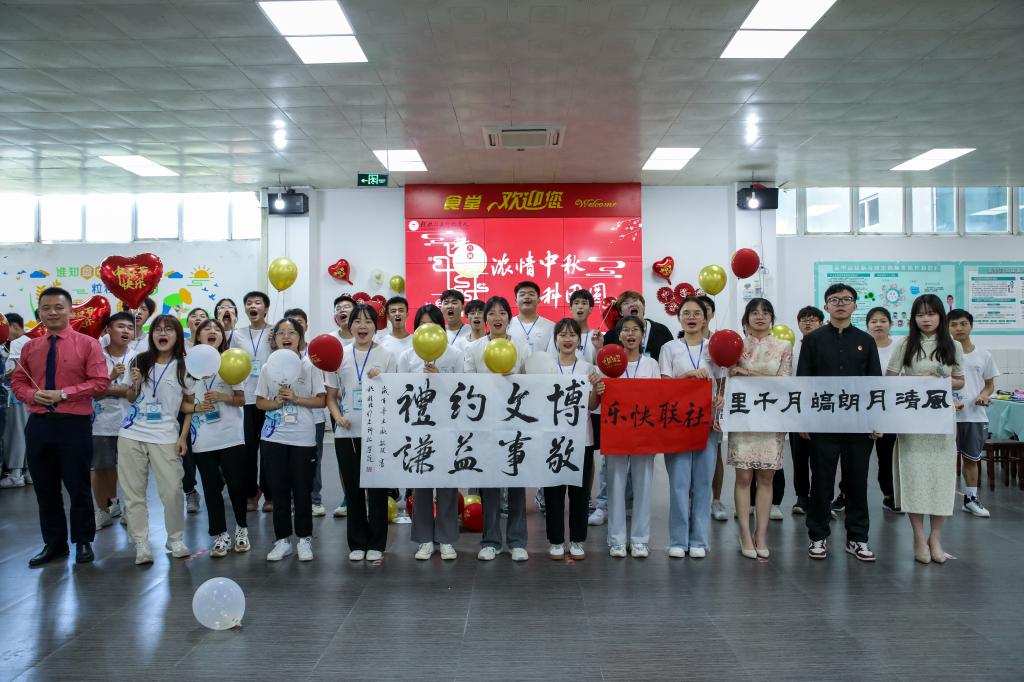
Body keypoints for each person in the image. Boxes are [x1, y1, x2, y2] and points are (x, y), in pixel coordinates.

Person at [11, 288, 109, 566]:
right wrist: (32, 395)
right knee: (45, 488)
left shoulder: (88, 344)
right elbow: (18, 382)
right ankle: (54, 544)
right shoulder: (30, 347)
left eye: (58, 307)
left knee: (78, 485)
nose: (52, 312)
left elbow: (100, 382)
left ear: (70, 311)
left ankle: (83, 541)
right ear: (39, 313)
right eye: (46, 308)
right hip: (39, 424)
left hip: (74, 424)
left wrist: (63, 394)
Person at [798, 283, 882, 562]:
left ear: (855, 305)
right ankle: (818, 535)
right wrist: (804, 421)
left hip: (858, 424)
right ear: (826, 306)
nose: (841, 304)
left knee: (857, 481)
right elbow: (804, 382)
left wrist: (875, 420)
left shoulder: (866, 341)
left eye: (847, 299)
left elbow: (875, 383)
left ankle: (858, 538)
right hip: (822, 423)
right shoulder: (813, 340)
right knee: (821, 481)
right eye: (835, 300)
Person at [886, 294, 964, 564]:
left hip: (941, 421)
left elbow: (960, 381)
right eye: (920, 315)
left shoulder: (952, 344)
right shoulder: (904, 344)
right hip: (913, 420)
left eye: (931, 314)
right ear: (913, 318)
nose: (926, 319)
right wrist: (918, 380)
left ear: (941, 316)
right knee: (914, 477)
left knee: (941, 478)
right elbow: (890, 379)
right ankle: (919, 537)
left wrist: (941, 380)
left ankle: (936, 537)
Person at [117, 314, 193, 565]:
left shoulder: (185, 365)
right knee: (134, 493)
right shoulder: (139, 361)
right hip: (131, 433)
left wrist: (183, 437)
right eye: (158, 329)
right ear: (152, 335)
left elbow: (189, 406)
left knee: (172, 491)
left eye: (169, 329)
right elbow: (130, 397)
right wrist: (135, 384)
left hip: (166, 435)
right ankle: (141, 543)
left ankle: (175, 539)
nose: (163, 333)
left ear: (177, 335)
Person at [325, 304, 397, 562]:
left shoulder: (387, 355)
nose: (362, 326)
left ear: (376, 326)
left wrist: (383, 378)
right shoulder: (339, 355)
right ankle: (356, 542)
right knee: (353, 489)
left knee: (377, 489)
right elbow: (331, 397)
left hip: (378, 431)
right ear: (350, 325)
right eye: (357, 321)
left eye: (368, 321)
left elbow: (397, 394)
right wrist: (337, 417)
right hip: (347, 431)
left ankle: (377, 542)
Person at [464, 296, 531, 561]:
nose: (497, 317)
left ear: (509, 319)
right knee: (489, 483)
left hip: (516, 422)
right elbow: (468, 384)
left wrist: (514, 379)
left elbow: (533, 382)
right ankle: (490, 541)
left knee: (516, 481)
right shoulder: (474, 349)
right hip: (486, 424)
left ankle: (517, 541)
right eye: (491, 313)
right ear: (485, 319)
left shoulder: (522, 347)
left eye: (502, 313)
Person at [256, 317, 326, 562]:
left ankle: (304, 539)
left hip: (302, 438)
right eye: (281, 333)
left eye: (291, 332)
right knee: (279, 490)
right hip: (273, 437)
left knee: (302, 489)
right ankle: (282, 540)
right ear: (274, 339)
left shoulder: (309, 366)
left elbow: (321, 400)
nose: (286, 336)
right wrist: (276, 403)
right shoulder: (267, 368)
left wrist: (296, 399)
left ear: (300, 337)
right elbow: (259, 402)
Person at [660, 297, 724, 558]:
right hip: (677, 423)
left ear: (706, 318)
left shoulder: (715, 347)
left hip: (707, 421)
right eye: (686, 313)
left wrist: (721, 397)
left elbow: (723, 380)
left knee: (703, 482)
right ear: (679, 318)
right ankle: (678, 540)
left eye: (697, 313)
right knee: (679, 483)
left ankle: (699, 540)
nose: (691, 318)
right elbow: (664, 386)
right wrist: (687, 376)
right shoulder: (669, 348)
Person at [399, 304, 464, 561]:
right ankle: (424, 539)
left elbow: (463, 391)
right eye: (422, 325)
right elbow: (401, 391)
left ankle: (446, 539)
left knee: (447, 485)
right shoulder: (407, 356)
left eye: (433, 325)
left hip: (447, 427)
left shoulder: (454, 355)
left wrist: (441, 381)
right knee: (422, 486)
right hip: (418, 428)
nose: (427, 330)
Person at [728, 299, 792, 559]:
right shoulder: (736, 345)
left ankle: (761, 535)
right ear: (746, 319)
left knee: (766, 478)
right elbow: (728, 377)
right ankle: (745, 533)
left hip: (771, 419)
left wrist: (748, 374)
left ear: (772, 318)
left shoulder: (783, 346)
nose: (760, 316)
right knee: (743, 478)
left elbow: (784, 382)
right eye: (754, 312)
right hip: (743, 418)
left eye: (765, 312)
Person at [182, 318, 250, 557]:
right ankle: (220, 534)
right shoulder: (188, 368)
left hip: (231, 435)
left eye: (216, 329)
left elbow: (241, 399)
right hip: (203, 438)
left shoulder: (230, 363)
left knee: (236, 485)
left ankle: (241, 529)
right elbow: (184, 405)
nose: (212, 332)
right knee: (211, 488)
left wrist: (223, 397)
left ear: (222, 336)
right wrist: (196, 408)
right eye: (206, 329)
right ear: (197, 336)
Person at [543, 317, 602, 560]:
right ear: (555, 339)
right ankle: (556, 540)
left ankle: (577, 540)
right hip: (551, 439)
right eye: (562, 334)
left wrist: (597, 390)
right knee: (553, 492)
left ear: (579, 340)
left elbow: (592, 405)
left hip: (581, 439)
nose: (567, 339)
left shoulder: (588, 369)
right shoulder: (546, 368)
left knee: (580, 492)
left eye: (572, 335)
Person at [604, 315, 660, 558]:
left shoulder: (651, 364)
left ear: (642, 335)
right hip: (616, 431)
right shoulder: (608, 363)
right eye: (625, 330)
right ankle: (616, 539)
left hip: (644, 432)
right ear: (619, 336)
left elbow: (658, 397)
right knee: (615, 485)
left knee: (643, 485)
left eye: (635, 330)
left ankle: (640, 540)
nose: (630, 334)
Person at [842, 306, 900, 514]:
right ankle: (845, 494)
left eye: (883, 321)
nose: (878, 325)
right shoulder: (860, 345)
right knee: (854, 457)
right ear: (867, 325)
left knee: (887, 455)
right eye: (874, 321)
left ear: (890, 324)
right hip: (861, 409)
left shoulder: (899, 348)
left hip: (890, 410)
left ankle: (889, 494)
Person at [948, 309, 998, 518]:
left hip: (974, 415)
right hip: (945, 416)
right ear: (947, 328)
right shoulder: (943, 355)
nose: (959, 328)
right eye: (953, 325)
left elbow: (989, 384)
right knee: (944, 460)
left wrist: (983, 396)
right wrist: (949, 400)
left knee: (971, 459)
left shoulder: (984, 355)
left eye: (963, 324)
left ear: (971, 326)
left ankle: (970, 499)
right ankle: (942, 500)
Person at [91, 312, 135, 529]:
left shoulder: (138, 357)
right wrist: (110, 380)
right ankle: (106, 509)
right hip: (101, 423)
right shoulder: (96, 355)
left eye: (130, 327)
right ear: (108, 329)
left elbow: (135, 391)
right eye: (120, 326)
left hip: (132, 423)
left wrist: (105, 388)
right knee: (102, 469)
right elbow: (92, 391)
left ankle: (130, 510)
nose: (126, 331)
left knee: (131, 469)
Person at [284, 307, 329, 518]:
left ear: (305, 326)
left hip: (313, 418)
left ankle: (314, 499)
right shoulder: (278, 356)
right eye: (290, 323)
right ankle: (293, 500)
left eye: (299, 323)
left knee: (313, 460)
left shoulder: (315, 353)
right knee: (289, 462)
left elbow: (322, 391)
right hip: (285, 418)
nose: (294, 327)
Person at [232, 290, 273, 513]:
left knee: (268, 448)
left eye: (257, 302)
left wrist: (275, 343)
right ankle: (251, 492)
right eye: (249, 303)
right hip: (246, 398)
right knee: (247, 450)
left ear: (265, 308)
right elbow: (231, 363)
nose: (253, 306)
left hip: (267, 398)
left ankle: (270, 494)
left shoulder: (275, 331)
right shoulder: (237, 334)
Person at [790, 305, 824, 515]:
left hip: (823, 410)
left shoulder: (828, 348)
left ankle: (821, 499)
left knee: (822, 459)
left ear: (821, 323)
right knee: (799, 457)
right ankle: (801, 497)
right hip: (797, 411)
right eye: (804, 319)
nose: (808, 323)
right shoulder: (792, 351)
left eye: (812, 319)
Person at [1, 313, 29, 488]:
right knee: (25, 433)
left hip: (16, 395)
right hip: (27, 395)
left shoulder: (18, 342)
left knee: (15, 434)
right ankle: (27, 473)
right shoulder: (31, 340)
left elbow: (19, 370)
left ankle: (15, 474)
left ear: (15, 326)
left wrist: (3, 376)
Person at [507, 280, 555, 354]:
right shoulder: (507, 325)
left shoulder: (551, 326)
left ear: (538, 300)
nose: (526, 297)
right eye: (522, 294)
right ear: (516, 300)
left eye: (531, 294)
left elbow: (553, 354)